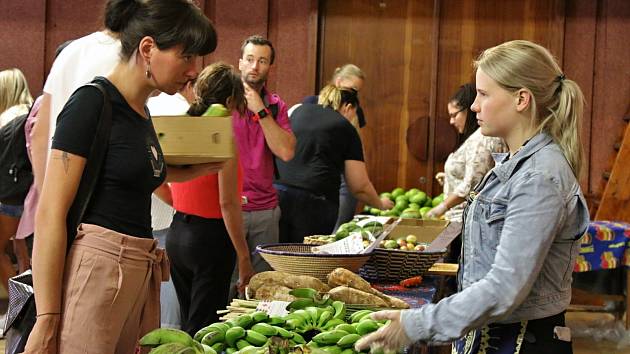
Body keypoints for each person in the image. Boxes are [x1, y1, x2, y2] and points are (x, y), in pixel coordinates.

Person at [355, 39, 590, 354]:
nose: (475, 106)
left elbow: (505, 289)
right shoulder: (517, 163)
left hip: (520, 343)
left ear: (522, 99)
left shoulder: (539, 177)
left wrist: (415, 324)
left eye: (483, 94)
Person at [24, 1, 221, 352]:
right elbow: (51, 211)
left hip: (134, 272)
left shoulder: (140, 111)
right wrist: (47, 315)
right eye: (187, 56)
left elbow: (129, 170)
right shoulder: (92, 102)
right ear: (148, 48)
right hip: (96, 273)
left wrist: (195, 169)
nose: (194, 70)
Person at [167, 62, 255, 335]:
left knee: (188, 323)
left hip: (178, 232)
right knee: (206, 329)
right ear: (230, 101)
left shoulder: (182, 129)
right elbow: (227, 204)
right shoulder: (220, 138)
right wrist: (244, 257)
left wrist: (184, 202)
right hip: (210, 240)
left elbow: (157, 178)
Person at [275, 85, 393, 243]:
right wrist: (380, 204)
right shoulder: (345, 128)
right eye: (354, 115)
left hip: (277, 195)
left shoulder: (296, 110)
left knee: (278, 256)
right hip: (315, 204)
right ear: (348, 107)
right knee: (306, 258)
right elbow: (359, 186)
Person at [229, 35, 296, 297]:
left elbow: (286, 152)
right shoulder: (221, 101)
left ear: (270, 67)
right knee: (225, 283)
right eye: (250, 59)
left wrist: (260, 110)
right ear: (240, 63)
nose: (255, 66)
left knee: (261, 289)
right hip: (228, 207)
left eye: (262, 61)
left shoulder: (276, 106)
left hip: (265, 211)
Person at [427, 83, 506, 221]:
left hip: (465, 219)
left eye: (454, 115)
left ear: (468, 110)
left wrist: (441, 207)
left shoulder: (481, 139)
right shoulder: (476, 137)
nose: (451, 121)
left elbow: (472, 184)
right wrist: (450, 177)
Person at [0, 67, 33, 291]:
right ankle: (30, 309)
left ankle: (17, 307)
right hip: (32, 197)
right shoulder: (31, 113)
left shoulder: (7, 119)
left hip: (10, 199)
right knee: (23, 254)